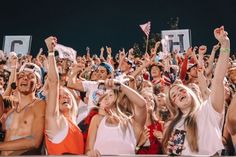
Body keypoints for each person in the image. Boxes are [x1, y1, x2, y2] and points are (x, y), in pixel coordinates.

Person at [162, 26, 230, 156]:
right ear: (174, 104)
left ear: (190, 91)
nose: (179, 94)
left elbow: (218, 79)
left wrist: (225, 43)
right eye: (174, 96)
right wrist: (169, 151)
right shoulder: (174, 125)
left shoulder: (209, 109)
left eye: (181, 90)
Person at [86, 79, 147, 156]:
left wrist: (120, 86)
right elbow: (88, 150)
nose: (106, 98)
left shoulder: (132, 123)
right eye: (104, 96)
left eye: (110, 95)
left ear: (119, 98)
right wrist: (90, 153)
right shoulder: (97, 120)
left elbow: (142, 104)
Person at [44, 36, 84, 155]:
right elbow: (53, 83)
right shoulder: (54, 121)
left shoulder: (74, 125)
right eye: (59, 96)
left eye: (66, 95)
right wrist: (51, 52)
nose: (64, 97)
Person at [0, 62, 46, 155]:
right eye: (22, 75)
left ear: (38, 85)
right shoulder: (12, 107)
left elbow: (34, 141)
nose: (25, 78)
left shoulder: (40, 105)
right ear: (17, 82)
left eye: (31, 76)